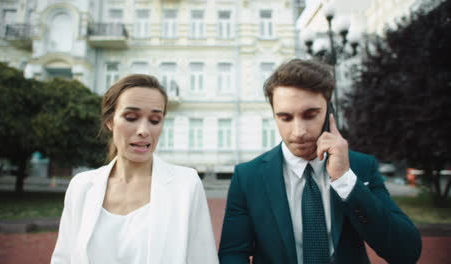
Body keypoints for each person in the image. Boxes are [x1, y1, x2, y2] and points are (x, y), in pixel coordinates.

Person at [218, 59, 422, 264]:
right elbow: (233, 253)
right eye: (286, 118)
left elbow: (406, 252)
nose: (298, 132)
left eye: (310, 115)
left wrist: (345, 180)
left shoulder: (361, 167)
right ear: (274, 116)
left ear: (329, 112)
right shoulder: (248, 177)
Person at [51, 74, 219, 264]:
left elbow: (203, 259)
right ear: (109, 121)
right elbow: (63, 258)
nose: (144, 130)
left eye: (155, 120)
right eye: (131, 117)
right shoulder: (81, 186)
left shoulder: (186, 184)